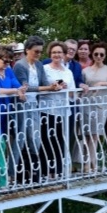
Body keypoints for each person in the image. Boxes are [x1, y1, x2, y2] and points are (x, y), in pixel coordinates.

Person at [13, 36, 61, 182]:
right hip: (23, 105)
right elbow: (25, 87)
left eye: (40, 52)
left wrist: (54, 85)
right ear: (27, 50)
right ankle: (16, 172)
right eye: (36, 52)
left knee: (35, 138)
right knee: (21, 138)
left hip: (35, 105)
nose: (38, 55)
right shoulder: (19, 66)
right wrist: (47, 87)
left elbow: (44, 82)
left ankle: (34, 171)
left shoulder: (39, 65)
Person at [0, 45, 27, 188]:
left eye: (9, 61)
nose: (7, 64)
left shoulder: (9, 71)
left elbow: (17, 85)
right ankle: (2, 181)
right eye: (4, 61)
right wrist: (15, 90)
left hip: (3, 112)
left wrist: (20, 89)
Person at [79, 42, 107, 173]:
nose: (99, 56)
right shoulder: (85, 70)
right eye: (96, 54)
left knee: (95, 135)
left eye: (101, 54)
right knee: (86, 135)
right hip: (86, 104)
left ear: (105, 56)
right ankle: (86, 163)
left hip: (101, 105)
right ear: (92, 54)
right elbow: (80, 85)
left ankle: (93, 163)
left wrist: (102, 83)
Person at [41, 41, 76, 179]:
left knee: (60, 140)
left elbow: (73, 94)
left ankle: (58, 170)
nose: (57, 55)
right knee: (46, 140)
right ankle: (45, 170)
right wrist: (51, 87)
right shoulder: (44, 69)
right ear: (50, 54)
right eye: (54, 52)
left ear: (63, 54)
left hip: (63, 110)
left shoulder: (68, 71)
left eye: (59, 52)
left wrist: (66, 87)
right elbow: (39, 87)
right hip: (47, 109)